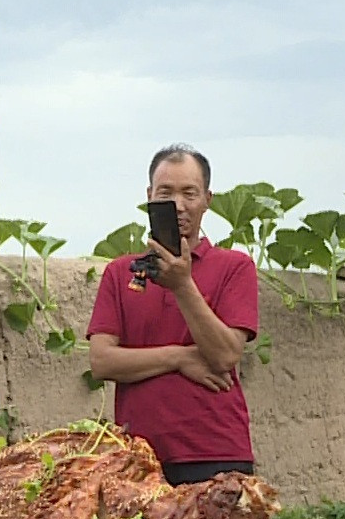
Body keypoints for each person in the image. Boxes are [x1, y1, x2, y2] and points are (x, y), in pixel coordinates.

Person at [86, 144, 259, 486]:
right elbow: (102, 362)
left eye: (189, 193)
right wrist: (180, 357)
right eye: (166, 193)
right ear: (149, 196)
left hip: (217, 454)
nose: (178, 205)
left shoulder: (235, 267)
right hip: (139, 459)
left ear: (208, 199)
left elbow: (225, 354)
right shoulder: (119, 273)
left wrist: (182, 285)